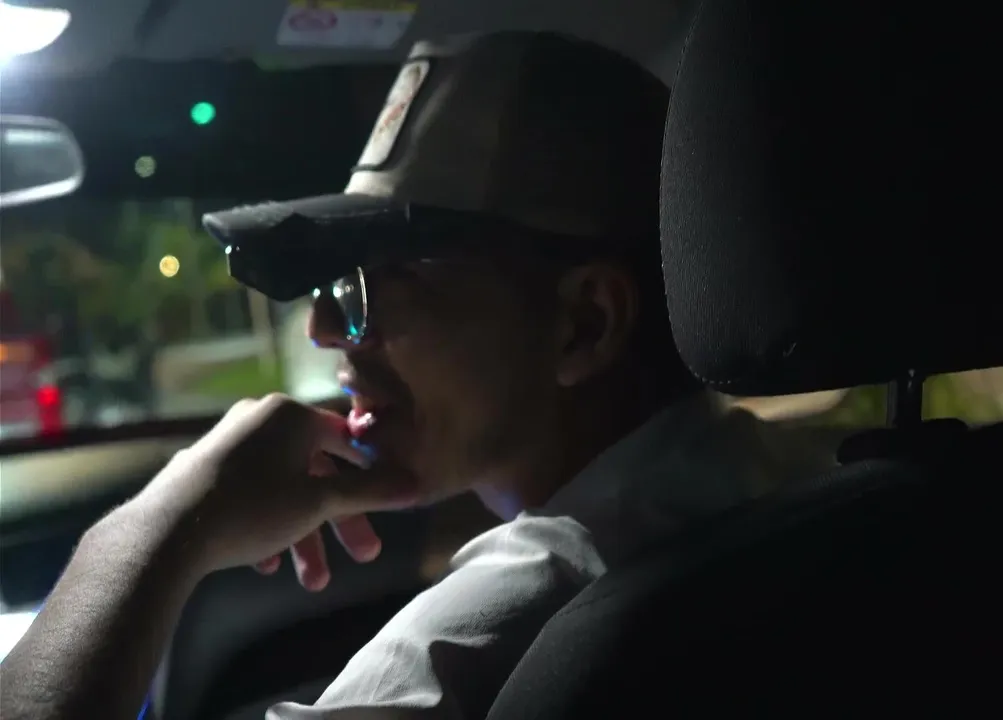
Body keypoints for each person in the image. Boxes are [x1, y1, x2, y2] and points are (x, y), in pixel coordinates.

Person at [0, 32, 834, 720]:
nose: (325, 329)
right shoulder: (797, 480)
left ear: (586, 323)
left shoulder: (482, 642)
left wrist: (163, 526)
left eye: (379, 277)